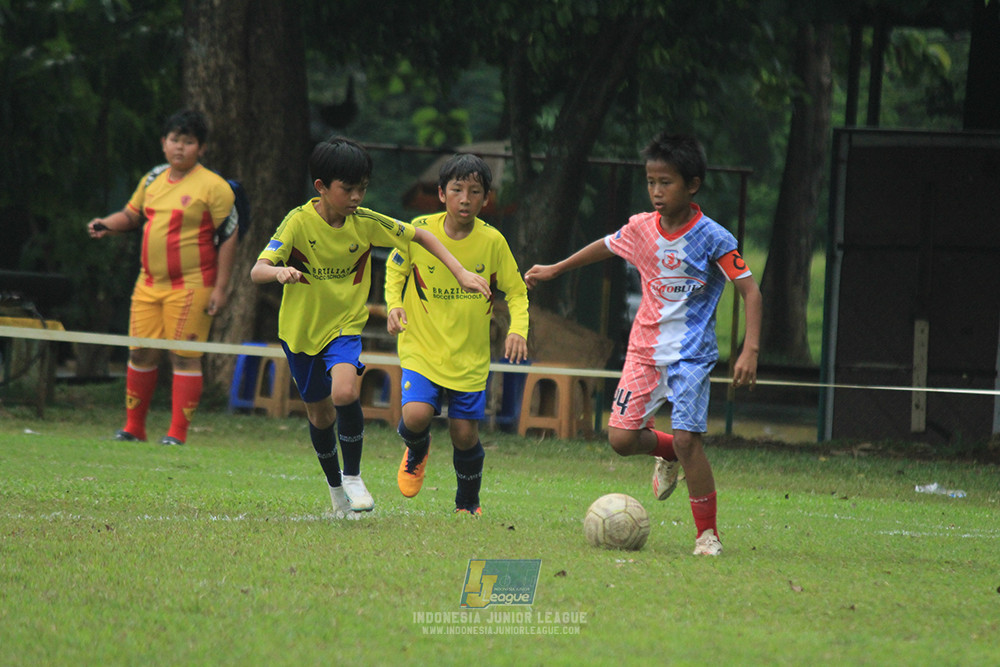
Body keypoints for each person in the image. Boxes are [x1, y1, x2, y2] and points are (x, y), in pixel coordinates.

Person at [524, 132, 762, 556]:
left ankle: (707, 535)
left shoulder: (714, 237)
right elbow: (606, 246)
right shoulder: (640, 228)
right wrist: (557, 268)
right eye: (651, 181)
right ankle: (669, 453)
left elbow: (751, 292)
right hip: (644, 352)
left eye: (666, 182)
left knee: (689, 440)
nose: (656, 191)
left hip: (692, 357)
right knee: (620, 440)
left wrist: (750, 350)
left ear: (692, 185)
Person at [250, 138, 491, 518]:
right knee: (320, 417)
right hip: (299, 332)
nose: (357, 197)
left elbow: (421, 236)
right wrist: (278, 272)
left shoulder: (365, 223)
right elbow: (257, 270)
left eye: (362, 188)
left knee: (345, 392)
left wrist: (459, 272)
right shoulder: (298, 222)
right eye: (348, 188)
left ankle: (353, 476)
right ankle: (336, 491)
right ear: (321, 187)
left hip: (344, 327)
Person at [385, 154, 529, 517]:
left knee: (464, 435)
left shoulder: (493, 242)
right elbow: (395, 271)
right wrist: (394, 305)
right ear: (441, 193)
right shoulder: (419, 230)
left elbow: (516, 292)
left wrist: (517, 330)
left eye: (475, 191)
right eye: (457, 190)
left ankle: (467, 502)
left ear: (486, 198)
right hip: (421, 346)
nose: (465, 199)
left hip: (469, 356)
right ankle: (417, 448)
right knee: (415, 416)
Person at [87, 109, 237, 446]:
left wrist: (221, 288)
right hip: (148, 284)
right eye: (174, 140)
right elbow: (131, 215)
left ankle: (176, 435)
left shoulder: (215, 187)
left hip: (193, 285)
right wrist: (106, 225)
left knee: (184, 355)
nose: (180, 147)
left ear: (201, 148)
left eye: (189, 141)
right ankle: (133, 428)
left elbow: (229, 236)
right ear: (163, 143)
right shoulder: (152, 178)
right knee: (140, 352)